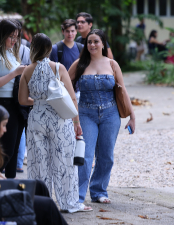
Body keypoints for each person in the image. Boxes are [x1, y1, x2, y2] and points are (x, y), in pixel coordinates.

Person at [18, 33, 92, 213]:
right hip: (60, 120)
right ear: (50, 49)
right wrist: (76, 121)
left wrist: (40, 101)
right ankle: (69, 203)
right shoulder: (59, 68)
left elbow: (21, 100)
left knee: (38, 163)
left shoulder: (26, 71)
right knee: (64, 162)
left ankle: (40, 203)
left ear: (32, 49)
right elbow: (72, 97)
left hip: (37, 120)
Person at [68, 29, 135, 204]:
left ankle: (99, 191)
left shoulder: (112, 64)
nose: (92, 45)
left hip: (110, 114)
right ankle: (78, 196)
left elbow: (122, 89)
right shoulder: (79, 64)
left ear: (103, 43)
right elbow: (64, 86)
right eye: (89, 42)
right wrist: (70, 113)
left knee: (106, 156)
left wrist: (132, 116)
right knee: (86, 155)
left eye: (96, 41)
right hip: (86, 113)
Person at [0, 19, 27, 179]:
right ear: (2, 35)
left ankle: (10, 183)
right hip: (2, 105)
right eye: (11, 36)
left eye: (16, 37)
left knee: (14, 149)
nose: (14, 40)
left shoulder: (10, 53)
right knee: (5, 149)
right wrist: (15, 73)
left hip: (16, 105)